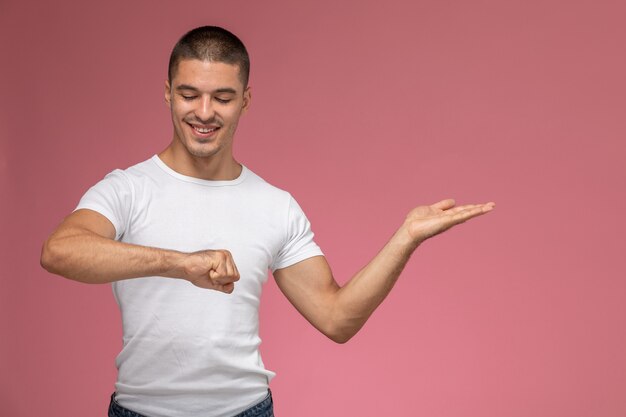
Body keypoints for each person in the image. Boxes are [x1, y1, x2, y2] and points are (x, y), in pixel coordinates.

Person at [40, 26, 495, 417]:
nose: (203, 112)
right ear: (167, 93)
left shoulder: (275, 205)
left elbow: (337, 318)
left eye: (222, 97)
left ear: (245, 100)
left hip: (246, 410)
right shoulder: (127, 189)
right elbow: (60, 251)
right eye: (188, 94)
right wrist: (181, 263)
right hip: (140, 410)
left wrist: (405, 239)